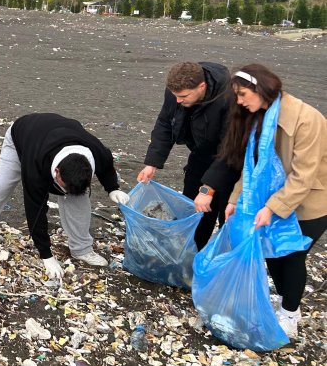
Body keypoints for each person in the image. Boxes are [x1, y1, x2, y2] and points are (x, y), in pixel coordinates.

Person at [219, 64, 327, 338]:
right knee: (272, 255)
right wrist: (235, 199)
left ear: (261, 88)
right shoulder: (260, 117)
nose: (240, 102)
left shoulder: (306, 120)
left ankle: (290, 314)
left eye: (243, 94)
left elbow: (304, 176)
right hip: (271, 199)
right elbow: (251, 166)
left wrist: (272, 208)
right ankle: (285, 302)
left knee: (291, 255)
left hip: (311, 202)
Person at [0, 113, 130, 278]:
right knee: (2, 187)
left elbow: (107, 168)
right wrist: (46, 255)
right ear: (56, 172)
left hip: (57, 132)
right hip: (22, 135)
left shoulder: (98, 152)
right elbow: (36, 209)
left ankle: (82, 249)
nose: (64, 192)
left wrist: (112, 188)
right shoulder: (35, 166)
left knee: (78, 198)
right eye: (63, 186)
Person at [137, 62, 239, 249]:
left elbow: (230, 149)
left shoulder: (228, 97)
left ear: (202, 86)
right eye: (175, 96)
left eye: (183, 96)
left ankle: (224, 263)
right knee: (193, 211)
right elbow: (165, 124)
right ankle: (191, 255)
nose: (177, 101)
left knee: (228, 218)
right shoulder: (175, 93)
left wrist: (208, 189)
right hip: (200, 155)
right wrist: (152, 163)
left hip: (232, 164)